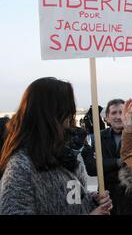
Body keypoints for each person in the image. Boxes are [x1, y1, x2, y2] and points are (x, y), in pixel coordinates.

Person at [0, 77, 112, 215]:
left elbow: (72, 204)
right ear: (50, 113)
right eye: (67, 108)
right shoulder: (21, 166)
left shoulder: (68, 154)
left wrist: (91, 200)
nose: (71, 114)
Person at [82, 98, 132, 215]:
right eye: (114, 113)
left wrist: (105, 163)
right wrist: (118, 162)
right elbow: (91, 168)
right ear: (107, 118)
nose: (118, 117)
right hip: (106, 198)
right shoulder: (96, 138)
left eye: (121, 112)